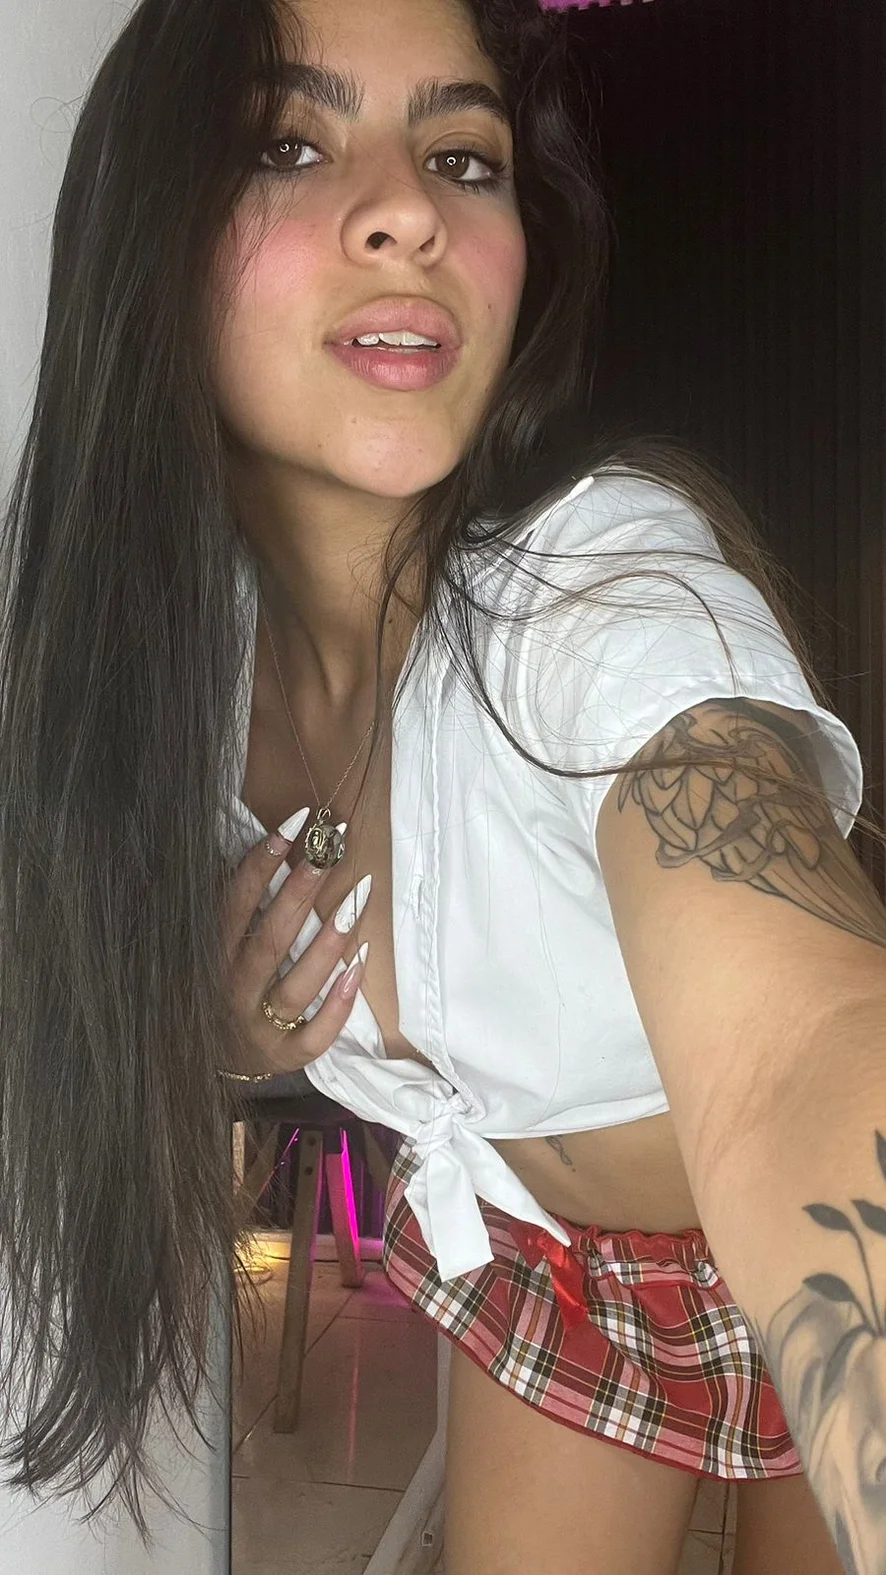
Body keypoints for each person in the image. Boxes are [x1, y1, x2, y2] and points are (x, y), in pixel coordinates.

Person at [0, 0, 884, 1568]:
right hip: (542, 1256)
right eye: (289, 143)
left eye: (462, 158)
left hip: (781, 1252)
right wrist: (227, 1029)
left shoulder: (597, 596)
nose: (407, 208)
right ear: (151, 232)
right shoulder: (166, 680)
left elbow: (802, 1057)